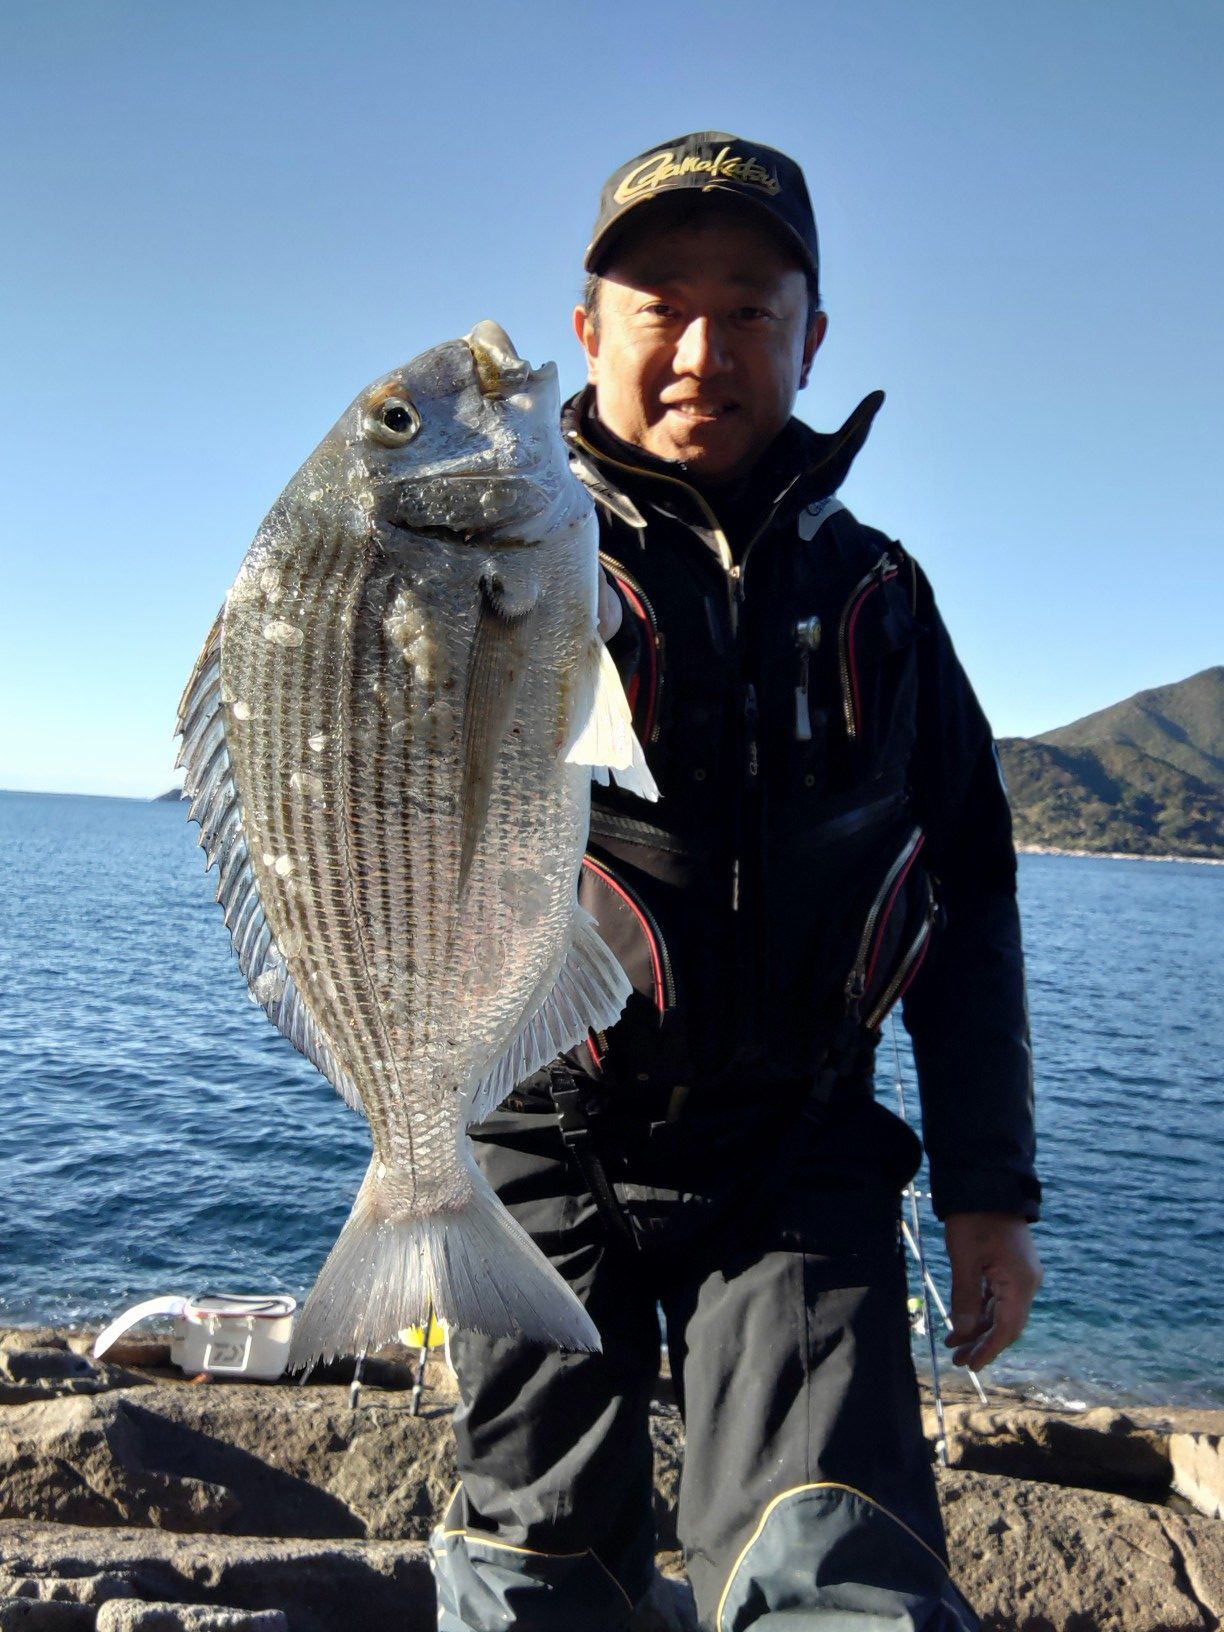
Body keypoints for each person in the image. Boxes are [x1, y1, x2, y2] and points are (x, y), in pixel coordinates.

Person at [431, 131, 1043, 1632]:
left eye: (753, 308)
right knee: (533, 1578)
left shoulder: (880, 593)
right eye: (660, 303)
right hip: (537, 1147)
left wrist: (989, 1193)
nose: (705, 346)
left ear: (814, 335)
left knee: (841, 1573)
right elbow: (360, 798)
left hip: (799, 1157)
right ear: (588, 329)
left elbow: (969, 885)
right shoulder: (492, 553)